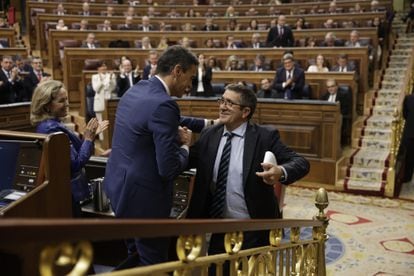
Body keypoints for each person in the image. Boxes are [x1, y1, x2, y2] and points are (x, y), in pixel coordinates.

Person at [104, 46, 209, 268]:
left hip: (119, 189)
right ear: (177, 71)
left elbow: (162, 118)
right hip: (145, 202)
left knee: (135, 254)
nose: (190, 86)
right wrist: (186, 147)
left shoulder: (138, 89)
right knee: (153, 264)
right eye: (190, 78)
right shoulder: (164, 104)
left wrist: (208, 124)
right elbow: (168, 168)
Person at [187, 84, 310, 274]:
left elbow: (300, 162)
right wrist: (181, 146)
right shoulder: (209, 134)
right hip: (218, 228)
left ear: (245, 111)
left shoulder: (264, 136)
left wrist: (280, 171)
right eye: (222, 100)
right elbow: (187, 161)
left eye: (229, 103)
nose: (222, 106)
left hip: (253, 227)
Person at [30, 80, 109, 216]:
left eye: (66, 99)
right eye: (61, 101)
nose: (67, 104)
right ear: (46, 106)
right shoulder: (52, 129)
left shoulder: (49, 125)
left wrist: (89, 138)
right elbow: (75, 164)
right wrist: (89, 139)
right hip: (69, 194)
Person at [320, 79, 352, 146]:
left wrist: (336, 115)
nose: (330, 89)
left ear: (337, 86)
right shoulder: (325, 95)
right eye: (328, 87)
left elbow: (346, 109)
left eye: (332, 86)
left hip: (338, 117)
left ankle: (335, 144)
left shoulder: (344, 95)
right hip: (326, 118)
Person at [91, 62, 116, 140]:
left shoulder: (111, 75)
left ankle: (110, 139)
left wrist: (111, 79)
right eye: (101, 67)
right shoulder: (95, 77)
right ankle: (102, 141)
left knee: (110, 121)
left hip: (109, 100)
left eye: (105, 66)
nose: (103, 68)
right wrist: (101, 81)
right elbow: (96, 89)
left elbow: (113, 88)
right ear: (98, 69)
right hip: (99, 101)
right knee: (101, 122)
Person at [402, 93, 414, 183]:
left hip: (410, 131)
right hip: (410, 132)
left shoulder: (408, 98)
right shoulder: (408, 98)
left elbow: (405, 115)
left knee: (409, 156)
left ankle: (407, 177)